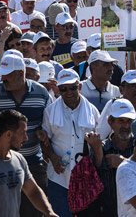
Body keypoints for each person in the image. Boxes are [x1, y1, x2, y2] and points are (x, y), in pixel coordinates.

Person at [0, 54, 52, 217]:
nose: (3, 77)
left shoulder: (41, 93)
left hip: (33, 164)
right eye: (2, 73)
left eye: (7, 74)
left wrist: (44, 135)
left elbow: (48, 127)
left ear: (21, 73)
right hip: (2, 164)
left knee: (33, 212)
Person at [0, 109, 58, 217]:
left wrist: (49, 212)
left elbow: (33, 191)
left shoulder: (19, 159)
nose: (26, 138)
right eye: (23, 133)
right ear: (8, 134)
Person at [39, 69, 100, 216]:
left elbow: (99, 142)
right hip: (59, 178)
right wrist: (52, 158)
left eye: (72, 87)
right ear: (58, 89)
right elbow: (44, 140)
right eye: (63, 89)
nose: (68, 92)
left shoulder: (92, 111)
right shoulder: (50, 111)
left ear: (79, 87)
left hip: (85, 178)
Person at [87, 99, 136, 216]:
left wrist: (123, 163)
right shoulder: (101, 148)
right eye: (121, 121)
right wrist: (98, 152)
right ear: (110, 121)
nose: (126, 125)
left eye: (129, 121)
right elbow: (92, 182)